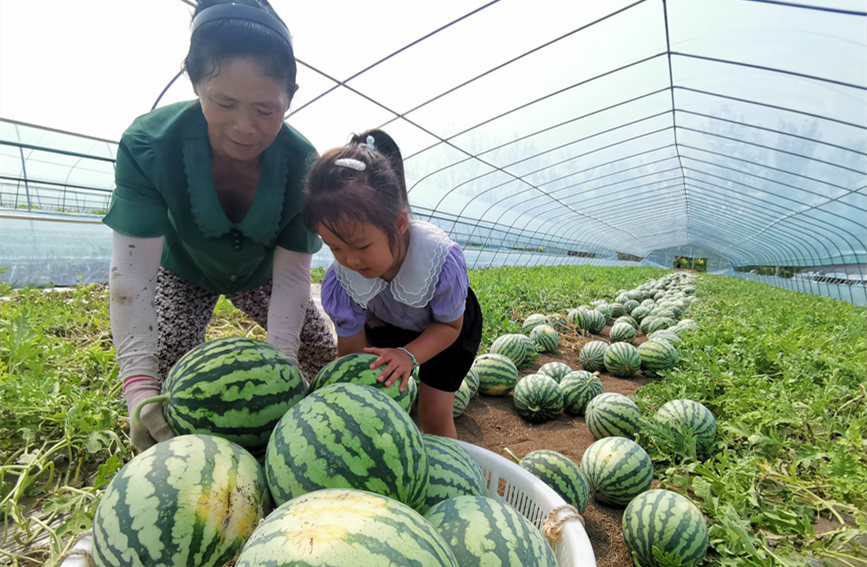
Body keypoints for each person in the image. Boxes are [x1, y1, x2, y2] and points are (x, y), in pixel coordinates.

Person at [105, 0, 336, 451]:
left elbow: (292, 276)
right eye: (224, 102)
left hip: (261, 272)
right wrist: (138, 387)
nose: (245, 127)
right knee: (171, 375)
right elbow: (132, 274)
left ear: (291, 96)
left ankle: (284, 440)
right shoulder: (148, 144)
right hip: (183, 268)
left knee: (317, 348)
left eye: (267, 110)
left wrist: (280, 374)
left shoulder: (302, 162)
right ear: (196, 85)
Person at [302, 129, 483, 438]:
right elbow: (351, 353)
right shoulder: (343, 281)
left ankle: (451, 477)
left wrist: (408, 355)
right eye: (335, 247)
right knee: (378, 412)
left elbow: (449, 328)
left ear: (399, 225)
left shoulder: (439, 262)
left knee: (433, 413)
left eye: (360, 246)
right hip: (387, 322)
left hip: (446, 329)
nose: (350, 260)